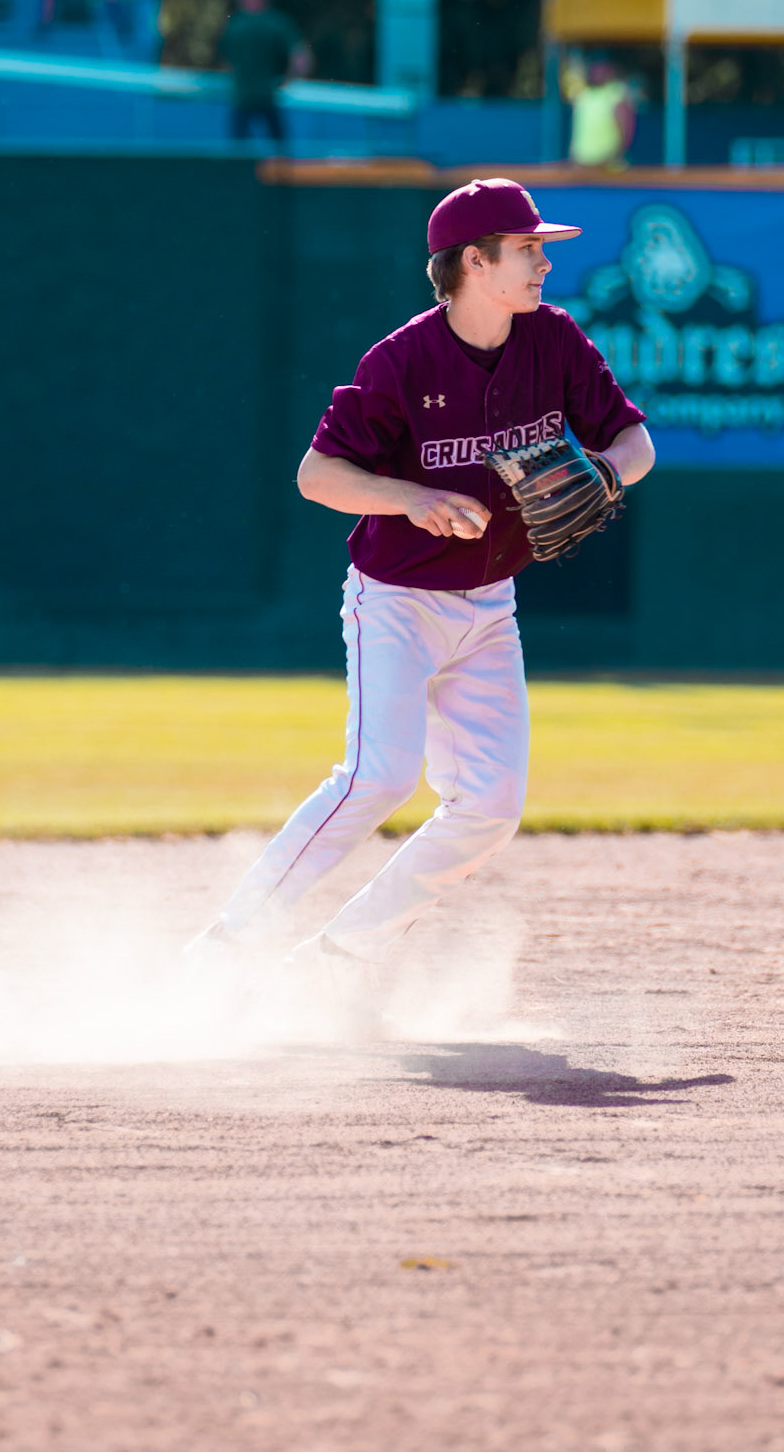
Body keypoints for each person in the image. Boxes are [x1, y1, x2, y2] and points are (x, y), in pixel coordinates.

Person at [190, 177, 655, 979]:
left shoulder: (554, 339)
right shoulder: (401, 361)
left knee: (489, 808)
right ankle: (227, 947)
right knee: (377, 777)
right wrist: (410, 498)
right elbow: (316, 476)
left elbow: (634, 443)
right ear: (474, 261)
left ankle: (337, 959)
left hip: (490, 607)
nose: (544, 263)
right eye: (528, 248)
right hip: (397, 603)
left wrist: (607, 473)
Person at [217, 0, 310, 148]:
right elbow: (301, 58)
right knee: (280, 148)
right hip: (269, 96)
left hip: (242, 98)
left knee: (237, 152)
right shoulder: (277, 22)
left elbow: (225, 63)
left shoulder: (234, 24)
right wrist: (289, 80)